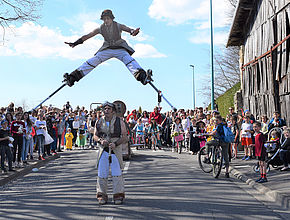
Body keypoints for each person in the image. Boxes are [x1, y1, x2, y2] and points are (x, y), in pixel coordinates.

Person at [64, 9, 151, 87]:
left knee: (129, 60)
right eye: (104, 19)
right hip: (107, 49)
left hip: (120, 49)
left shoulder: (118, 25)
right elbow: (88, 35)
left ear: (112, 18)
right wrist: (75, 43)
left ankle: (142, 76)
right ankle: (73, 77)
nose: (106, 21)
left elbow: (128, 29)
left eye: (108, 18)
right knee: (92, 61)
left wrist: (133, 32)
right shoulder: (100, 28)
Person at [94, 102, 127, 205]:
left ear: (113, 111)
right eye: (105, 109)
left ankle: (118, 195)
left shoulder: (119, 121)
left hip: (115, 150)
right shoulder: (99, 121)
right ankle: (101, 195)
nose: (106, 110)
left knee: (116, 173)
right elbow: (94, 135)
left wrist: (116, 143)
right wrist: (100, 140)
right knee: (102, 174)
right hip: (103, 150)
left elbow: (125, 136)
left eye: (108, 109)